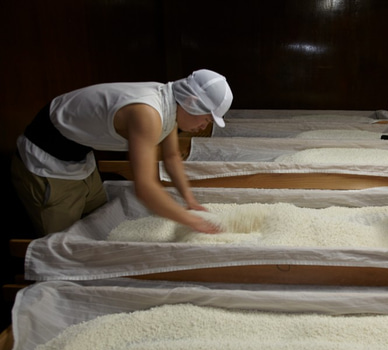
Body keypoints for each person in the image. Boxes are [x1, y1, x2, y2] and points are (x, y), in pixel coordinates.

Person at [11, 69, 233, 237]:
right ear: (191, 102)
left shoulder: (171, 106)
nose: (205, 126)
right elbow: (145, 188)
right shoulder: (147, 113)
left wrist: (190, 200)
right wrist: (193, 222)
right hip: (47, 160)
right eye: (206, 118)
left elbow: (172, 157)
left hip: (80, 156)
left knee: (98, 220)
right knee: (62, 239)